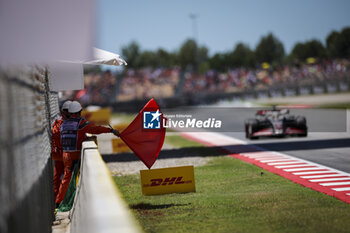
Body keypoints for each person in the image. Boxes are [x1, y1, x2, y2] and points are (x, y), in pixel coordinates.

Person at [55, 101, 119, 206]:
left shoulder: (63, 123)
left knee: (66, 178)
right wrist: (111, 131)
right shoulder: (80, 123)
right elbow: (96, 129)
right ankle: (81, 200)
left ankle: (58, 202)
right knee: (82, 177)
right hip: (75, 154)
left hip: (65, 154)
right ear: (79, 112)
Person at [52, 100, 71, 201]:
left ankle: (58, 200)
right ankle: (60, 200)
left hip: (59, 154)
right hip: (66, 154)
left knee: (58, 177)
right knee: (65, 178)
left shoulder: (57, 123)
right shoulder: (61, 124)